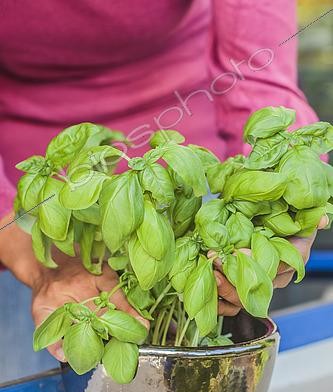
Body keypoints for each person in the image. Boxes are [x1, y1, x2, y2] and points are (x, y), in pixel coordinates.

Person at [0, 0, 328, 361]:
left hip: (186, 170)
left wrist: (290, 194)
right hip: (33, 204)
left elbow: (257, 67)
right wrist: (37, 259)